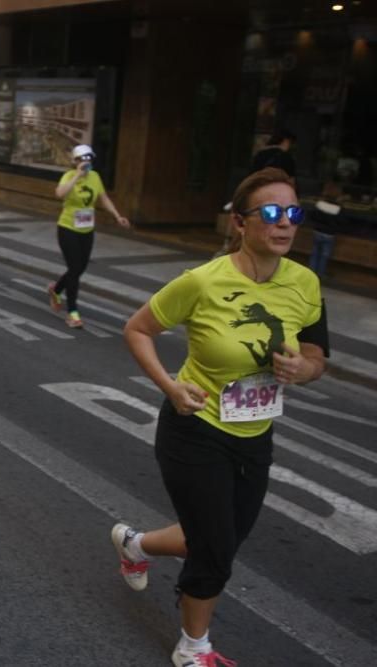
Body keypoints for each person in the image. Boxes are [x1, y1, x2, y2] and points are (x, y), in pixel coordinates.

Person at [116, 167, 328, 667]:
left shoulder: (305, 283)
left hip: (255, 434)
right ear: (239, 222)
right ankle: (193, 647)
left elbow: (319, 355)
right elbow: (138, 329)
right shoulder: (203, 282)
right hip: (194, 428)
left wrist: (303, 369)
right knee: (214, 550)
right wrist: (170, 385)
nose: (284, 224)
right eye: (271, 213)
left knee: (219, 536)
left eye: (293, 213)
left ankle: (136, 543)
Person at [48, 144, 130, 328]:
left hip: (86, 229)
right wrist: (77, 175)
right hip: (67, 228)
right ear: (75, 161)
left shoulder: (95, 177)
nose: (86, 162)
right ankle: (73, 313)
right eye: (82, 159)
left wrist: (117, 216)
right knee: (75, 269)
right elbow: (59, 194)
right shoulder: (69, 176)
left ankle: (56, 289)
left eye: (88, 158)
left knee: (79, 268)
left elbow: (103, 198)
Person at [307, 182, 343, 279]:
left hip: (317, 231)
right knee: (324, 255)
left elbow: (312, 216)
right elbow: (341, 222)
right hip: (329, 235)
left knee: (314, 253)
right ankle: (320, 273)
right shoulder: (338, 208)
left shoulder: (319, 204)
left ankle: (311, 272)